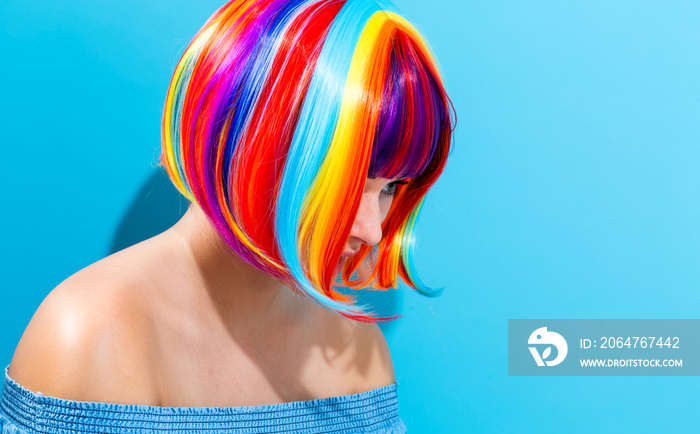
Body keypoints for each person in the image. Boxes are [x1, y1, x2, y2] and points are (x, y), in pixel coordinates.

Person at [0, 0, 453, 432]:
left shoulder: (355, 349)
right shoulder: (88, 336)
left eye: (390, 188)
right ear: (254, 143)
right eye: (351, 183)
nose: (373, 231)